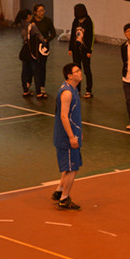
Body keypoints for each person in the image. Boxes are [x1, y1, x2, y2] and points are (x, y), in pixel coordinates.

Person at [51, 63, 84, 210]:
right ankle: (64, 199)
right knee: (72, 168)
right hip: (67, 137)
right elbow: (64, 116)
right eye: (77, 71)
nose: (80, 72)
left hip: (71, 134)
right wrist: (71, 136)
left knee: (69, 165)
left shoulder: (72, 89)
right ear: (70, 76)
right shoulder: (67, 93)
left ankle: (59, 191)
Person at [68, 3, 94, 98]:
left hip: (85, 50)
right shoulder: (75, 21)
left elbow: (91, 36)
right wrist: (70, 48)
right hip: (76, 50)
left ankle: (88, 90)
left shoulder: (88, 21)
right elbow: (72, 35)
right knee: (76, 70)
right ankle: (77, 89)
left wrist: (89, 51)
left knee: (87, 70)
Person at [32, 3, 57, 97]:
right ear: (35, 12)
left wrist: (47, 40)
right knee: (34, 66)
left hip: (44, 47)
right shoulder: (32, 21)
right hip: (34, 47)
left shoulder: (47, 21)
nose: (42, 12)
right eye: (40, 11)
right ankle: (31, 84)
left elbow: (53, 33)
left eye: (43, 10)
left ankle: (42, 86)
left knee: (42, 66)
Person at [15, 8, 34, 97]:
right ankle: (26, 87)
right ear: (28, 16)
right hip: (29, 48)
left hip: (26, 47)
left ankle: (26, 87)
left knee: (26, 69)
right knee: (28, 69)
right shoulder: (28, 25)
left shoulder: (22, 24)